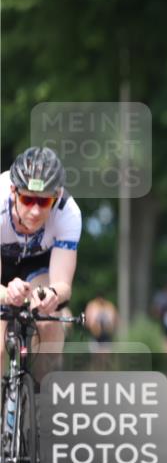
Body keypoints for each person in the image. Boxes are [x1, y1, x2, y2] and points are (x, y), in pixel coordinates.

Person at [0, 147, 80, 365]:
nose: (35, 211)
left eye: (44, 202)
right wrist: (7, 294)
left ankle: (44, 390)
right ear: (13, 190)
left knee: (48, 322)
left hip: (38, 265)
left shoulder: (68, 213)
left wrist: (52, 294)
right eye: (27, 200)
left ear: (58, 195)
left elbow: (63, 285)